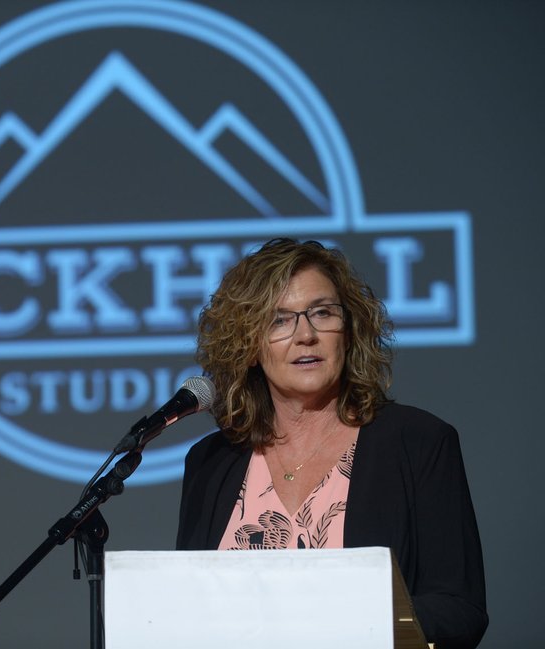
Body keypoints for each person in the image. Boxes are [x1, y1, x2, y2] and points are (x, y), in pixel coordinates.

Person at [176, 238, 488, 649]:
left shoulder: (420, 443)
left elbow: (459, 610)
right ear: (249, 346)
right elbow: (183, 611)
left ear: (348, 331)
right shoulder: (211, 462)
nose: (306, 334)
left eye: (322, 313)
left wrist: (351, 618)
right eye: (279, 320)